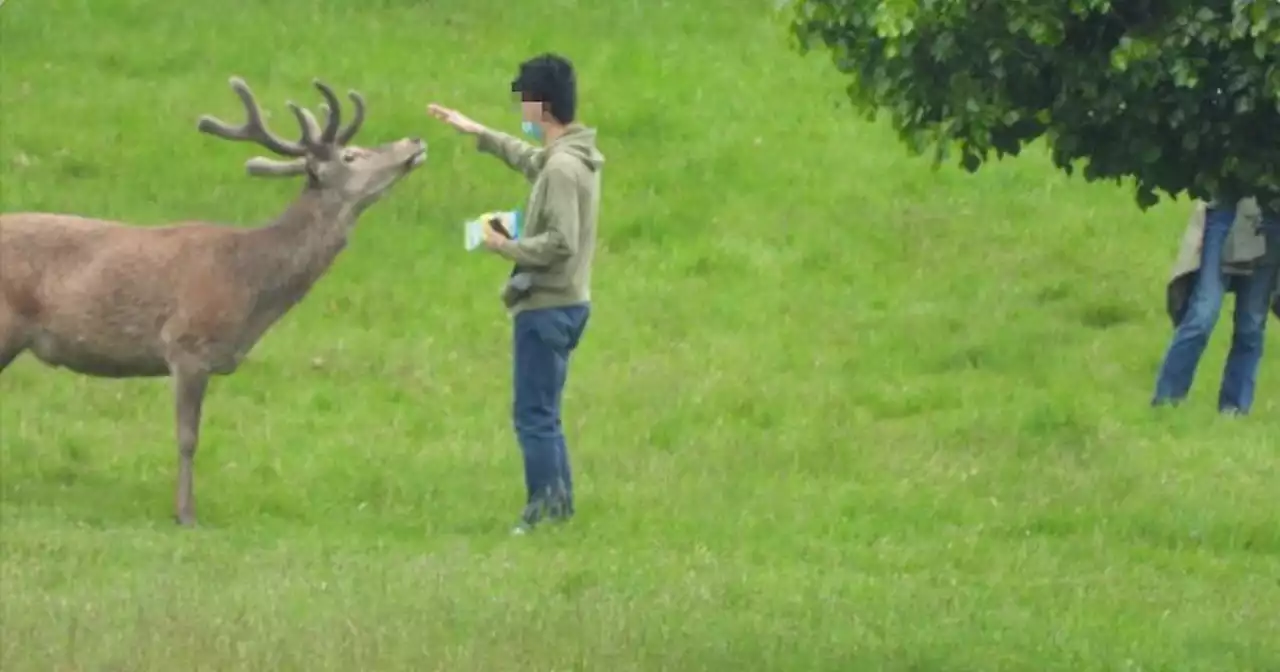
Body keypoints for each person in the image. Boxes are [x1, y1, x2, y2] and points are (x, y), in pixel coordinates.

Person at [426, 53, 605, 533]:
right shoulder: (569, 157)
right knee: (545, 413)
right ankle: (558, 508)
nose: (520, 110)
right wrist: (477, 132)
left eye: (524, 100)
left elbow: (560, 242)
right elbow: (532, 161)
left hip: (547, 308)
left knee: (533, 416)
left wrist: (504, 246)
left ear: (541, 107)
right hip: (567, 303)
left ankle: (543, 513)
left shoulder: (563, 170)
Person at [1154, 197, 1280, 415]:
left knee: (1250, 325)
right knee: (1203, 313)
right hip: (1225, 210)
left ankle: (1234, 410)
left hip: (1272, 219)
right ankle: (1167, 401)